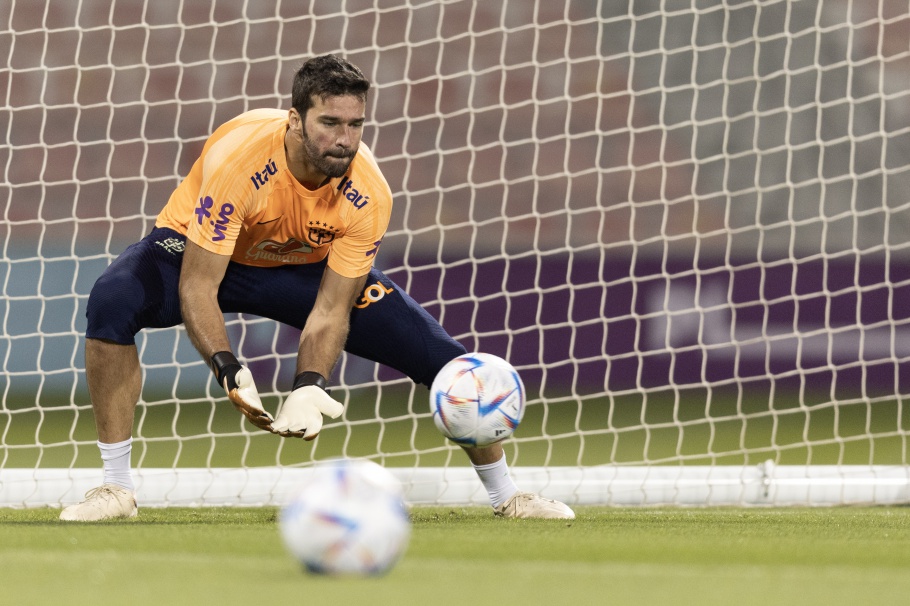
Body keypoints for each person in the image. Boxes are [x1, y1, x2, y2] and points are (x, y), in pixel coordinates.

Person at [59, 55, 575, 522]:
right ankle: (116, 489)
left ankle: (508, 496)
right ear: (295, 120)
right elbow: (198, 284)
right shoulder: (240, 163)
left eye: (355, 125)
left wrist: (310, 382)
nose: (344, 139)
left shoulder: (368, 193)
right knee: (113, 299)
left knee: (446, 361)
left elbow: (331, 307)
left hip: (302, 270)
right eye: (329, 123)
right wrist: (228, 366)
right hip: (207, 255)